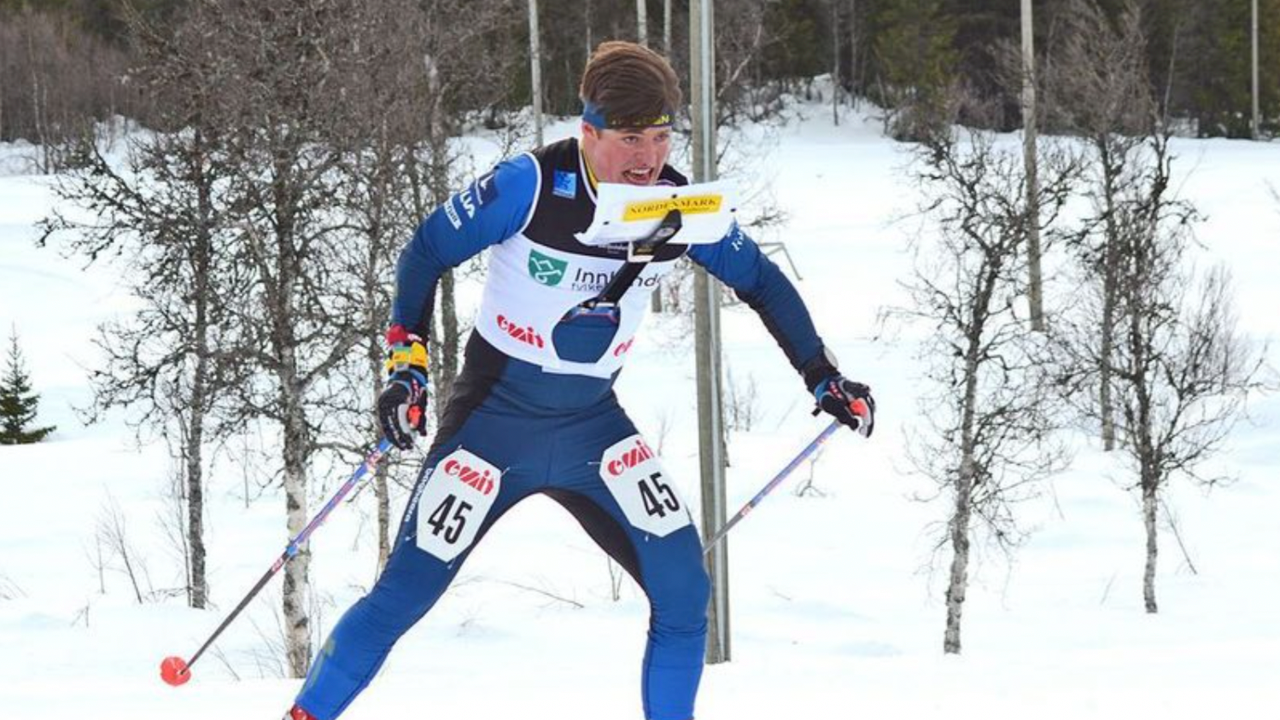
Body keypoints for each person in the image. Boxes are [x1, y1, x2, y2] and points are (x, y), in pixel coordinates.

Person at [285, 40, 874, 720]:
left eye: (660, 136)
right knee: (401, 597)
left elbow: (763, 282)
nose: (649, 158)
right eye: (629, 139)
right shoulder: (527, 188)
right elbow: (425, 252)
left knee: (686, 594)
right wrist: (407, 367)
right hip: (493, 427)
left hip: (594, 428)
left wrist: (823, 376)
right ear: (587, 133)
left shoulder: (677, 206)